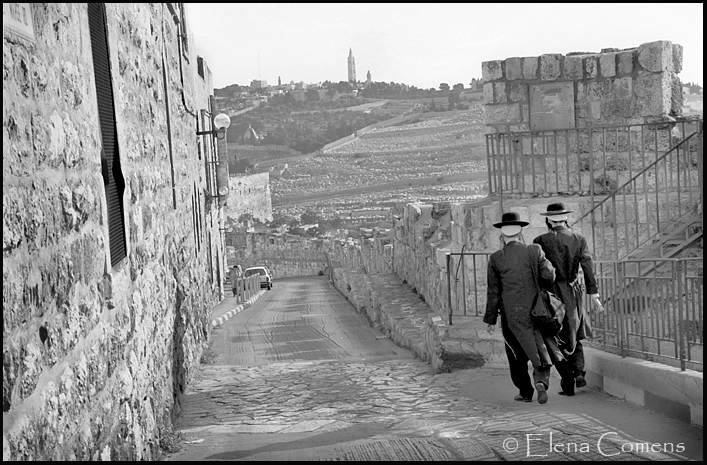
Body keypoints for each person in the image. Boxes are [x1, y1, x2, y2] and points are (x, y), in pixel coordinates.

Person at [483, 212, 567, 405]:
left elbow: (493, 292)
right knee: (540, 346)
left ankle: (525, 391)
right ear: (520, 232)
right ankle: (541, 382)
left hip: (511, 314)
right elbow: (548, 276)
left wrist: (490, 319)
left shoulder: (496, 258)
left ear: (502, 235)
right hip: (536, 311)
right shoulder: (534, 250)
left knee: (515, 355)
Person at [533, 202, 605, 396]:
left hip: (551, 294)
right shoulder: (578, 239)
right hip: (573, 292)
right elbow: (588, 267)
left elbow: (538, 271)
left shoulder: (539, 240)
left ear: (548, 219)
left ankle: (568, 382)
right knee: (575, 333)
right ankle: (579, 373)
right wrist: (594, 294)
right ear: (565, 218)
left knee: (553, 335)